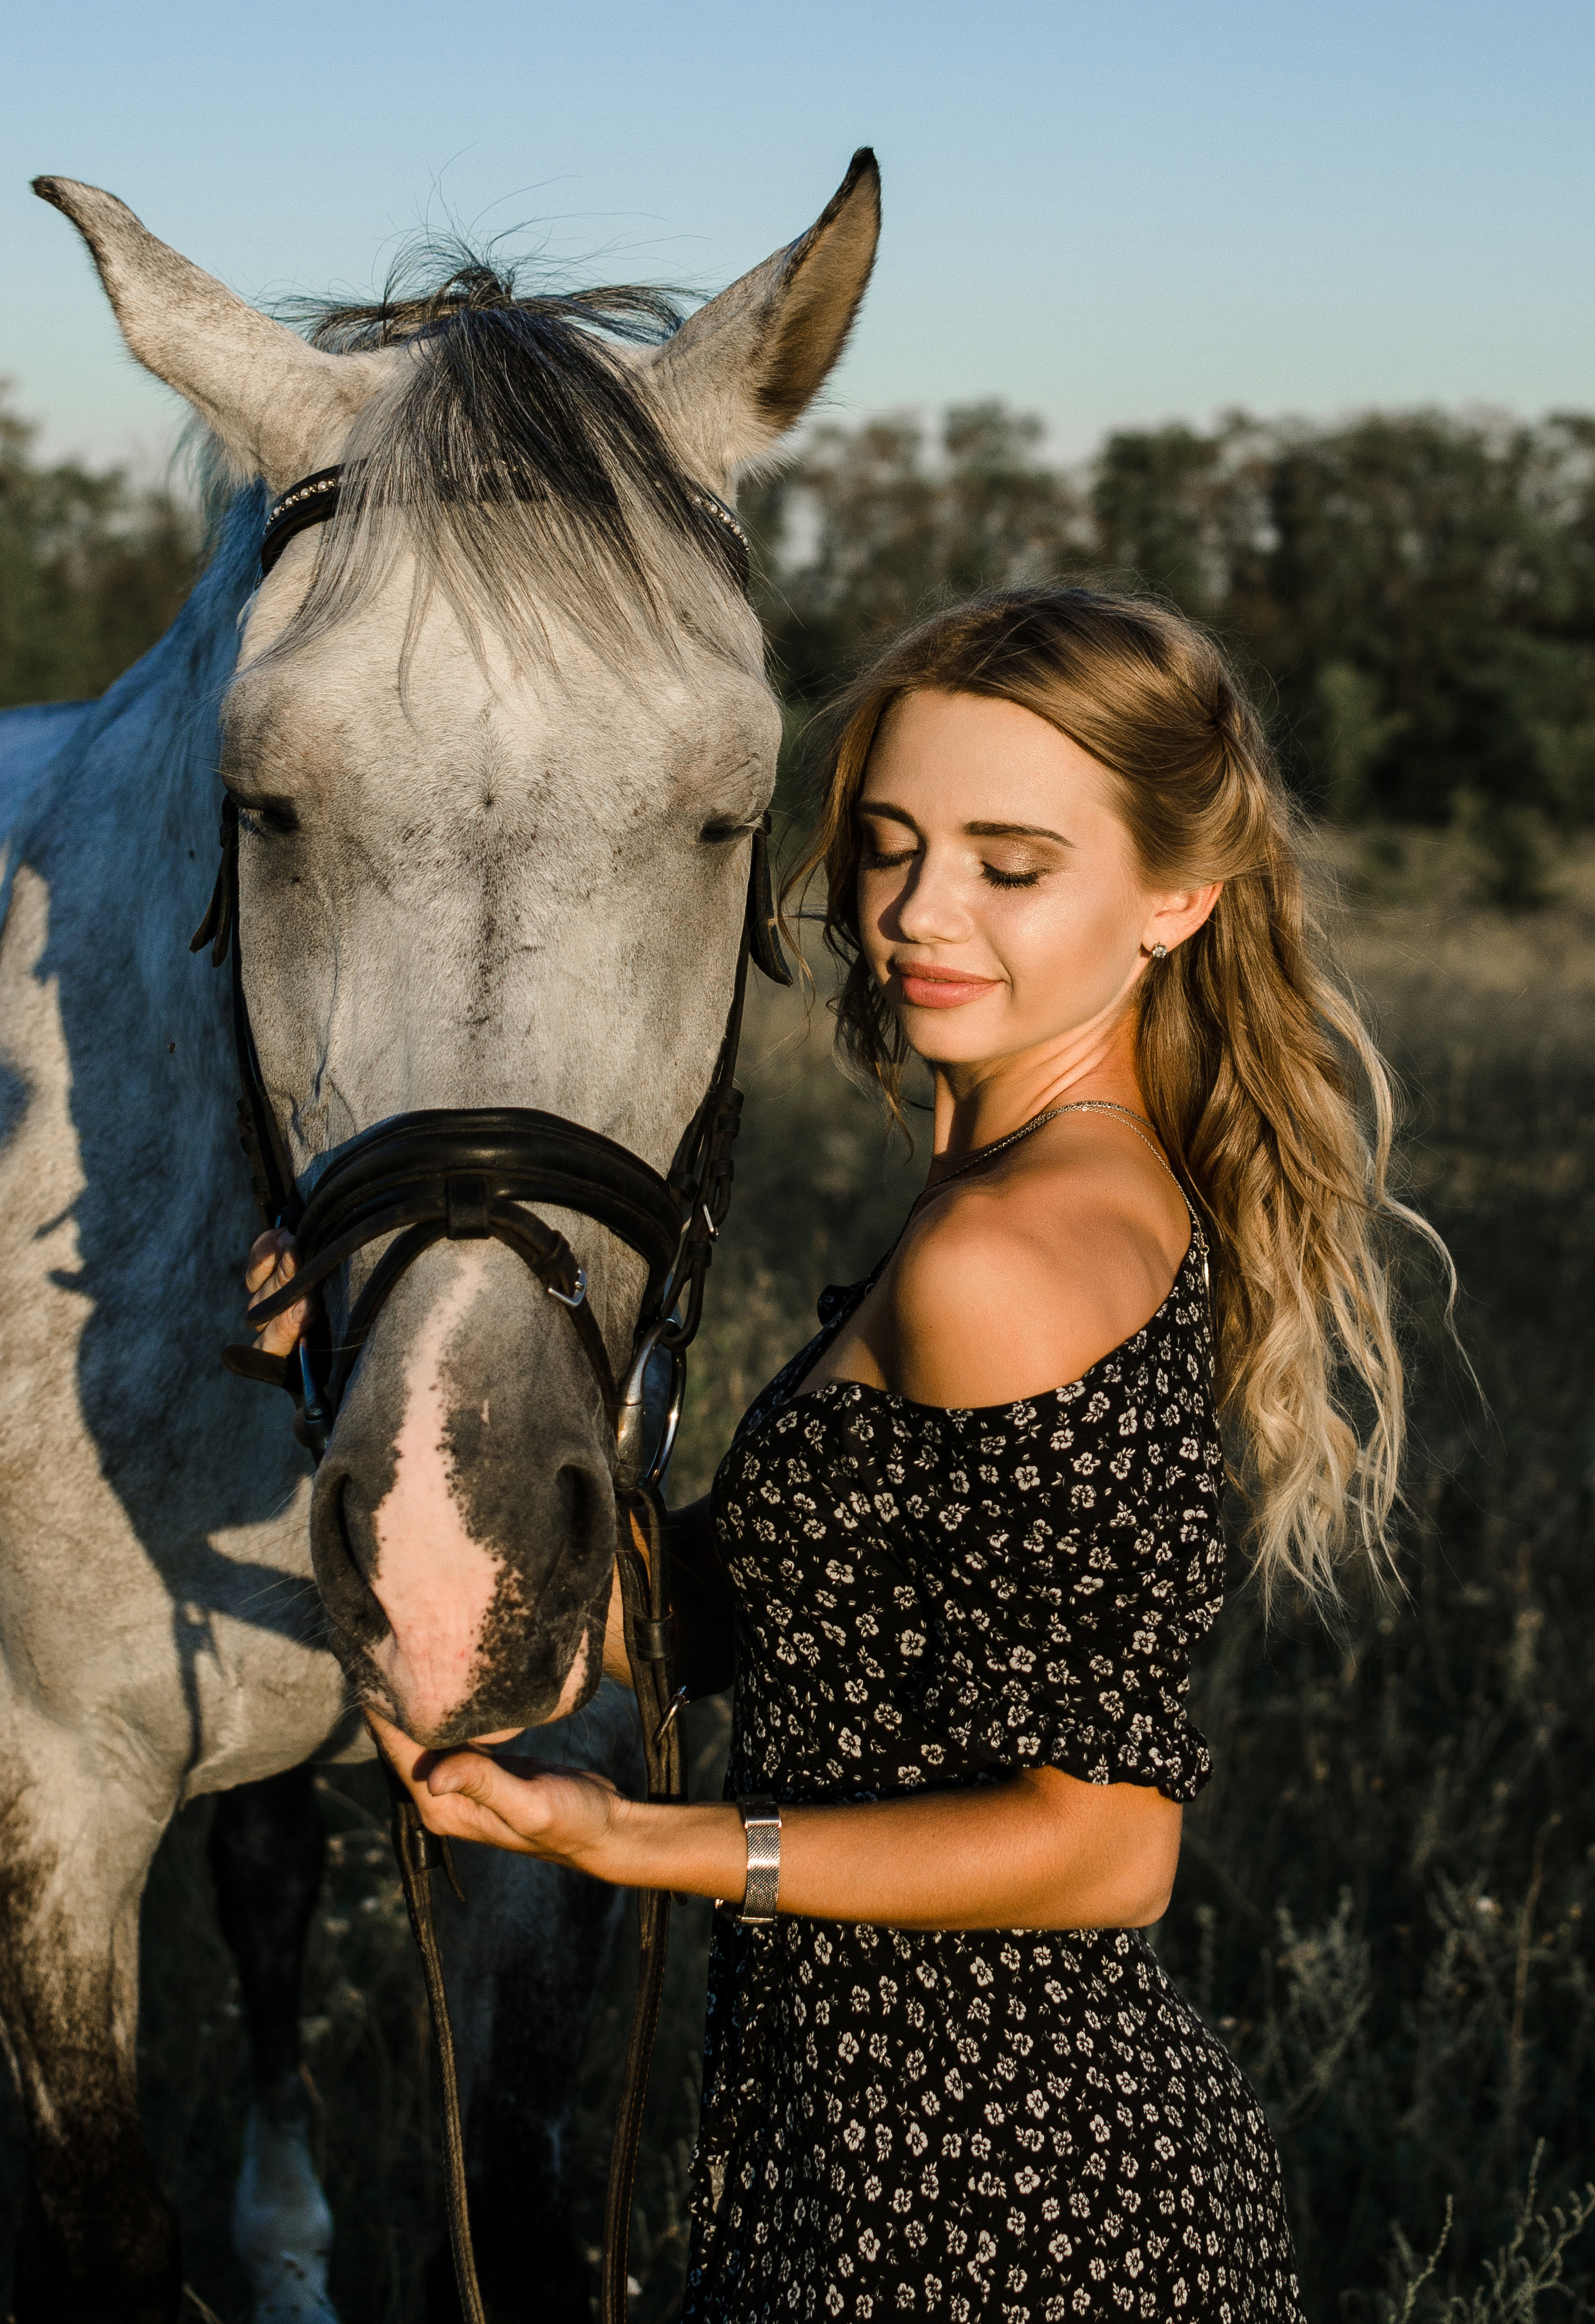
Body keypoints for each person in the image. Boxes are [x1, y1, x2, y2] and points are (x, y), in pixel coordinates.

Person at [255, 586, 1434, 2321]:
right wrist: (366, 1364)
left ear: (1174, 898)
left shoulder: (1000, 1259)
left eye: (1011, 864)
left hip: (999, 2201)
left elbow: (1106, 1846)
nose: (915, 913)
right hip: (878, 2142)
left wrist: (628, 1840)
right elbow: (705, 1619)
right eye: (888, 844)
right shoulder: (1016, 1194)